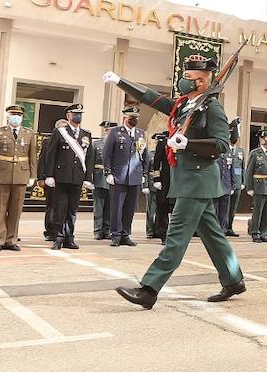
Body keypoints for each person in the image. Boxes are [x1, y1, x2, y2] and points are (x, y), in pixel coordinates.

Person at [105, 57, 247, 308]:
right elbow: (153, 98)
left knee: (176, 237)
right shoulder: (185, 105)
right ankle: (233, 279)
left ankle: (149, 289)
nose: (182, 81)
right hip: (189, 179)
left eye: (188, 77)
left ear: (202, 81)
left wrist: (188, 144)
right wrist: (121, 82)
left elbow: (222, 145)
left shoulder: (211, 108)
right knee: (213, 236)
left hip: (197, 181)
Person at [38, 104, 93, 250]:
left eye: (80, 113)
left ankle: (70, 237)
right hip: (61, 177)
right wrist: (49, 175)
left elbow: (89, 159)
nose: (78, 116)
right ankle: (59, 237)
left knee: (72, 210)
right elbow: (51, 155)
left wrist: (88, 178)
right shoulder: (60, 132)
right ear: (68, 115)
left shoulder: (86, 134)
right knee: (60, 208)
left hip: (77, 178)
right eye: (75, 113)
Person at [0, 104, 36, 252]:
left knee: (16, 210)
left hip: (21, 175)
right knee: (0, 209)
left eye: (18, 115)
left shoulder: (29, 133)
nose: (16, 117)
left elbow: (32, 156)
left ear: (22, 118)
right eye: (13, 114)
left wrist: (33, 175)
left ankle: (11, 239)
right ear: (7, 116)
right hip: (1, 175)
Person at [103, 107, 147, 247]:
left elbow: (145, 155)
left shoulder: (140, 134)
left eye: (136, 117)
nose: (134, 120)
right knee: (117, 207)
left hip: (134, 177)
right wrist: (108, 172)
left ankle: (125, 234)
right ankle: (115, 235)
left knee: (129, 208)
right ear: (125, 118)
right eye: (131, 117)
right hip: (118, 176)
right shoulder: (115, 132)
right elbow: (107, 153)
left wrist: (144, 173)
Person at [245, 132, 267, 243]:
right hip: (259, 186)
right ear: (262, 140)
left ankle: (264, 233)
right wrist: (249, 188)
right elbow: (249, 171)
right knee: (258, 212)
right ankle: (255, 233)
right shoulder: (255, 153)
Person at [90, 121, 115, 241]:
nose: (108, 132)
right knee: (98, 206)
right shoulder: (96, 144)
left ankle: (107, 230)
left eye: (111, 130)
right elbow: (90, 162)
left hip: (113, 179)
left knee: (110, 206)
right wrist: (89, 179)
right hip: (99, 177)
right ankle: (98, 230)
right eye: (107, 130)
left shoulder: (117, 145)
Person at [145, 131, 172, 242]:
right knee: (163, 207)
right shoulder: (163, 142)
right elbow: (156, 161)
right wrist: (157, 179)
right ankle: (163, 234)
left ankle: (174, 234)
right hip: (165, 177)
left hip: (179, 178)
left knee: (177, 208)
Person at [224, 125, 245, 237]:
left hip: (237, 182)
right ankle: (223, 227)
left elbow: (242, 168)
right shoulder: (224, 149)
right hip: (226, 182)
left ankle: (229, 227)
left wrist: (242, 182)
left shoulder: (240, 151)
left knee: (233, 207)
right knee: (225, 207)